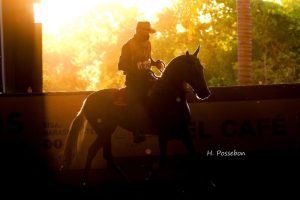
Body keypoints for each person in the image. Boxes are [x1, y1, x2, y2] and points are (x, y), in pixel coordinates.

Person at [118, 21, 164, 143]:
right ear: (138, 31)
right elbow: (121, 65)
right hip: (134, 81)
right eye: (145, 31)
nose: (147, 33)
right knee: (136, 100)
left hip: (148, 77)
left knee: (162, 92)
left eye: (148, 31)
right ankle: (137, 130)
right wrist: (134, 69)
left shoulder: (148, 43)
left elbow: (148, 59)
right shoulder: (128, 46)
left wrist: (155, 63)